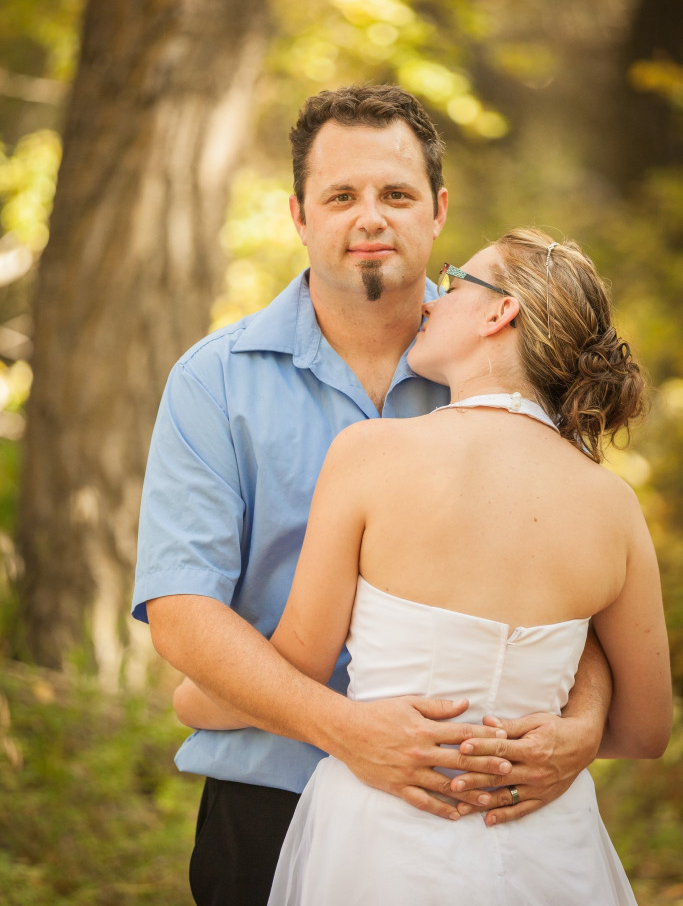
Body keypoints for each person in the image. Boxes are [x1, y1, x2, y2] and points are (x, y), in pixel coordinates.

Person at [133, 85, 614, 906]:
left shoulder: (502, 363)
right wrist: (345, 732)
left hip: (475, 812)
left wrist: (582, 726)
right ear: (299, 215)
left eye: (395, 194)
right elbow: (181, 611)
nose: (370, 218)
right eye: (340, 196)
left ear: (436, 211)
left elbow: (580, 591)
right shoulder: (213, 380)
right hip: (269, 794)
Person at [175, 229, 672, 905]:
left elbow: (302, 656)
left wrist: (194, 701)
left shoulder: (371, 455)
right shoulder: (612, 505)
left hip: (386, 840)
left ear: (499, 314)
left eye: (458, 280)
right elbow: (645, 731)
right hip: (548, 847)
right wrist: (577, 732)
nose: (435, 299)